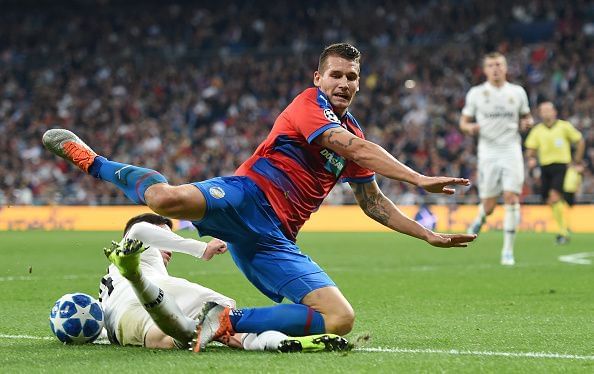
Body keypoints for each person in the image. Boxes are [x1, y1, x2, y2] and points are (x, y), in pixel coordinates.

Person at [43, 42, 476, 352]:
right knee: (165, 200)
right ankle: (93, 160)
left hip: (272, 241)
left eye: (352, 77)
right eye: (336, 75)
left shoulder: (357, 134)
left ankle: (225, 321)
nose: (343, 83)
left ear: (359, 85)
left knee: (340, 319)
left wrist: (426, 235)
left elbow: (373, 203)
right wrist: (419, 179)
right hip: (244, 195)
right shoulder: (310, 105)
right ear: (319, 78)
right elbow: (349, 147)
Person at [100, 212, 349, 352]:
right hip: (149, 295)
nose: (170, 246)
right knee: (222, 310)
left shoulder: (108, 281)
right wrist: (202, 248)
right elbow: (140, 230)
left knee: (189, 337)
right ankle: (241, 328)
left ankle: (280, 343)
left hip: (124, 324)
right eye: (165, 237)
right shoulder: (137, 246)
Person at [460, 52, 534, 266]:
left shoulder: (517, 92)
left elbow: (525, 116)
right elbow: (463, 122)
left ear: (506, 67)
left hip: (511, 149)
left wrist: (527, 123)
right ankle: (480, 218)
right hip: (488, 153)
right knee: (490, 205)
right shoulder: (476, 93)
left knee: (511, 197)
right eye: (491, 65)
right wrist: (469, 128)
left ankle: (508, 251)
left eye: (499, 64)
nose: (495, 68)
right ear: (485, 70)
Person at [524, 101, 585, 244]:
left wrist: (577, 160)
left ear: (554, 112)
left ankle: (562, 232)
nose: (545, 113)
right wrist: (531, 158)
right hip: (545, 167)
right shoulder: (537, 130)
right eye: (542, 110)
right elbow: (530, 149)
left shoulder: (564, 126)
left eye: (548, 110)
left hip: (561, 166)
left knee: (555, 196)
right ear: (539, 113)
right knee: (550, 200)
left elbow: (580, 140)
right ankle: (565, 226)